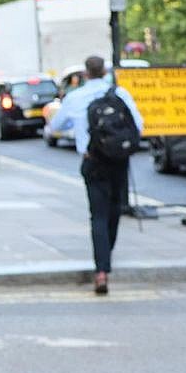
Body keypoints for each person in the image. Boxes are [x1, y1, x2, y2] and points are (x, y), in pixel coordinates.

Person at [48, 55, 143, 295]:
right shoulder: (120, 94)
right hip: (119, 161)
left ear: (85, 74)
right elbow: (138, 125)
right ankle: (106, 257)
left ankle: (101, 271)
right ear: (104, 72)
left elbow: (56, 126)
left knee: (97, 216)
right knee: (114, 212)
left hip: (93, 161)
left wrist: (77, 126)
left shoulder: (75, 97)